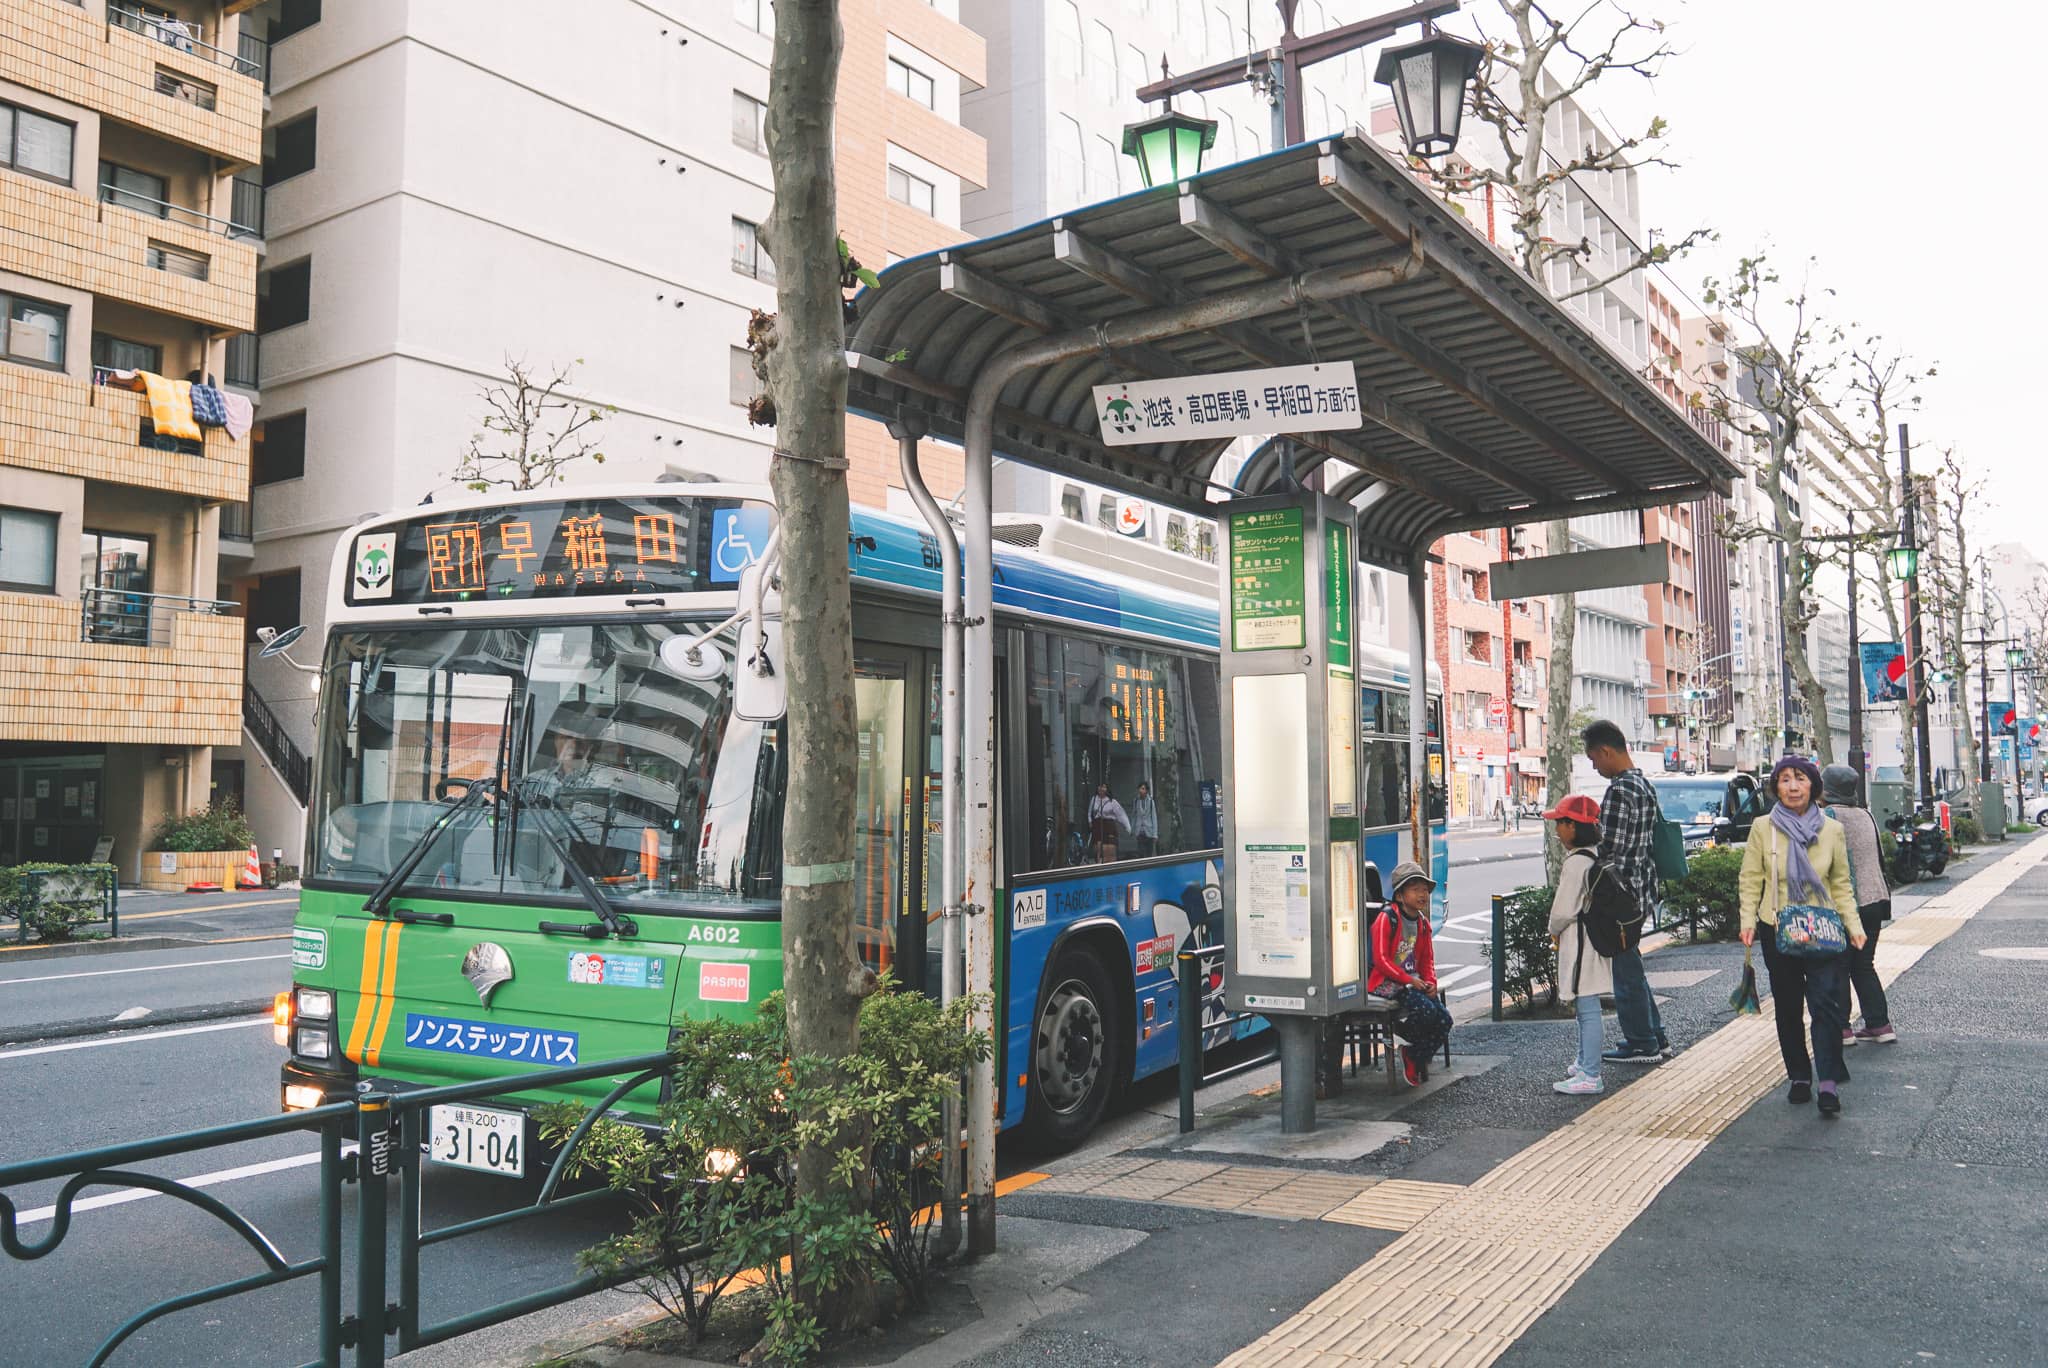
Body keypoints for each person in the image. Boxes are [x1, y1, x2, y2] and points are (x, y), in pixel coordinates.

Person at [1740, 755, 1866, 1118]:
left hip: (1824, 928)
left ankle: (1827, 1081)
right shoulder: (1763, 828)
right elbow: (1750, 880)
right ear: (1775, 787)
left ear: (1813, 785)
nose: (1793, 787)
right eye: (1784, 780)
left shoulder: (1832, 829)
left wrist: (1854, 927)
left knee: (1827, 1005)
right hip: (1777, 927)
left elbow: (1841, 883)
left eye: (1800, 779)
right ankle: (1798, 1075)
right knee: (1789, 1006)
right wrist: (1747, 920)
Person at [1582, 719, 1673, 1065]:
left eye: (1594, 758)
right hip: (1642, 889)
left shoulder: (1620, 790)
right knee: (1630, 963)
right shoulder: (1643, 784)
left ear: (1606, 751)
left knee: (1625, 970)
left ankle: (1641, 1042)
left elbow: (1612, 850)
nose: (1594, 765)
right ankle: (1654, 1036)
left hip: (1622, 895)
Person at [1820, 764, 1898, 1046]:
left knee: (1838, 965)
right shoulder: (1866, 814)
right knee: (1864, 965)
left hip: (1847, 903)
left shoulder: (1827, 816)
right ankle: (1879, 1025)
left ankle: (1842, 1028)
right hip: (1875, 898)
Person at [1544, 795, 1612, 1096]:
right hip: (1595, 940)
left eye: (1560, 823)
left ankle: (1590, 1074)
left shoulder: (1576, 864)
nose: (1557, 830)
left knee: (1587, 1008)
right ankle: (1585, 1063)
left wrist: (1552, 930)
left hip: (1582, 944)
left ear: (1574, 826)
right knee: (1588, 1006)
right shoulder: (1596, 855)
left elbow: (1561, 912)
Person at [1367, 861, 1449, 1086]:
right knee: (1426, 1012)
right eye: (1415, 889)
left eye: (1424, 889)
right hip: (1387, 982)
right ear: (1400, 896)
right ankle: (1400, 1035)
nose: (1422, 894)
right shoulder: (1387, 918)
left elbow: (1427, 960)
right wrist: (1409, 980)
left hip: (1412, 983)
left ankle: (1413, 1055)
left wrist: (1430, 982)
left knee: (1445, 1020)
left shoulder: (1423, 923)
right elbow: (1381, 960)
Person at [1087, 782, 1130, 862]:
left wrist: (1127, 827)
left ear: (1107, 789)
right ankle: (1099, 865)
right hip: (1097, 826)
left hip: (1109, 827)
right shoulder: (1094, 799)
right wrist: (1090, 822)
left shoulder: (1112, 801)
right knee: (1098, 849)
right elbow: (1089, 813)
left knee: (1109, 850)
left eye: (1103, 787)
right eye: (1099, 786)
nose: (1101, 789)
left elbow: (1121, 815)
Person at [1131, 781, 1158, 858]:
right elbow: (1134, 815)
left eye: (1143, 789)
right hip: (1139, 831)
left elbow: (1154, 817)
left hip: (1149, 831)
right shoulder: (1136, 801)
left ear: (1146, 790)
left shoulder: (1151, 802)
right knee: (1141, 853)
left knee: (1149, 853)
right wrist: (1132, 829)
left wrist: (1155, 834)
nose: (1141, 790)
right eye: (1140, 788)